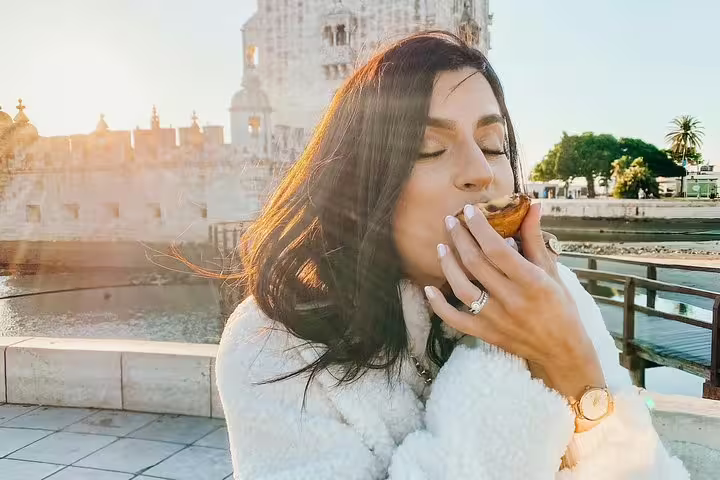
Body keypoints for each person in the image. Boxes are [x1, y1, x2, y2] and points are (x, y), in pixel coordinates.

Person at [216, 31, 688, 479]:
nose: (481, 172)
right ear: (360, 185)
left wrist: (570, 361)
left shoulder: (556, 296)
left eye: (493, 145)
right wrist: (509, 353)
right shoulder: (273, 345)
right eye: (430, 149)